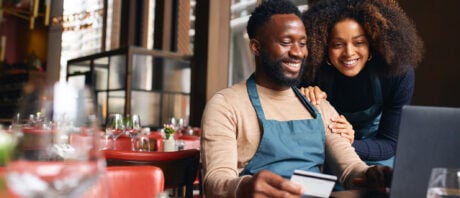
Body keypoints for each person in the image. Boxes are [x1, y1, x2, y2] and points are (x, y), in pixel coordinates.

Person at [200, 0, 391, 197]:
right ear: (256, 47)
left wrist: (372, 175)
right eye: (285, 43)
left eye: (302, 43)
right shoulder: (226, 105)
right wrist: (244, 187)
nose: (297, 52)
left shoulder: (318, 105)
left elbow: (351, 169)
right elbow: (214, 182)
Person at [300, 0, 424, 167]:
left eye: (359, 42)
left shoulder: (397, 73)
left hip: (378, 153)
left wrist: (350, 142)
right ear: (324, 47)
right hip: (329, 152)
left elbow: (389, 144)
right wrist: (303, 97)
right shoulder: (310, 73)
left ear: (372, 43)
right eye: (337, 44)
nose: (349, 53)